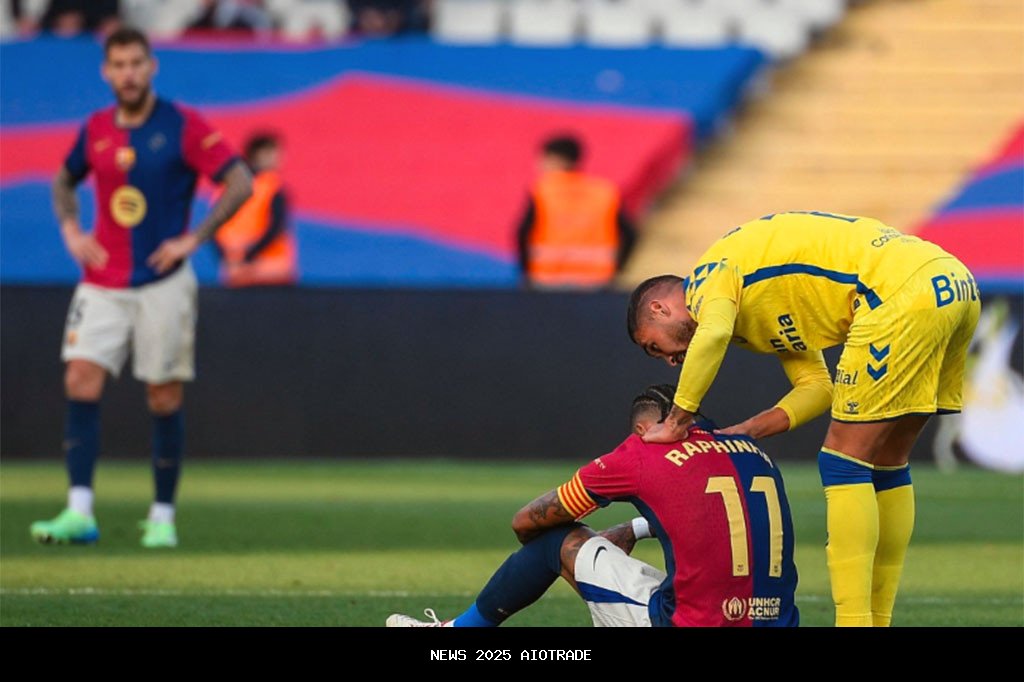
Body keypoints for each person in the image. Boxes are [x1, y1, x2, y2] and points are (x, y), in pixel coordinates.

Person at [626, 211, 981, 626]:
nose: (669, 360)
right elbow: (817, 386)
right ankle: (877, 619)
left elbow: (714, 334)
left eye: (654, 347)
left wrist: (677, 418)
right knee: (887, 462)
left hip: (894, 291)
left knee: (842, 462)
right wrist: (747, 430)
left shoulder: (708, 277)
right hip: (953, 283)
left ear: (659, 307)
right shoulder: (764, 303)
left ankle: (855, 621)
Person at [30, 27, 253, 549]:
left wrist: (193, 239)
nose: (128, 74)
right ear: (106, 72)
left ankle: (161, 515)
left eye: (136, 63)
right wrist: (71, 231)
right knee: (80, 378)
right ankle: (79, 510)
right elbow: (64, 180)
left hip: (162, 279)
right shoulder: (96, 129)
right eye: (119, 65)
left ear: (152, 66)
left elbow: (239, 179)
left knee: (162, 393)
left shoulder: (182, 126)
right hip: (103, 279)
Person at [387, 385, 798, 627]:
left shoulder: (640, 453)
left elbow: (525, 521)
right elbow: (714, 512)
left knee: (554, 540)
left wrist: (555, 546)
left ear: (642, 428)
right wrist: (634, 529)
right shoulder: (748, 450)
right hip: (775, 620)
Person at [516, 134, 635, 290]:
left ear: (555, 159)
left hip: (547, 281)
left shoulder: (542, 191)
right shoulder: (604, 192)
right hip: (597, 282)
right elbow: (630, 233)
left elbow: (523, 232)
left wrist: (526, 272)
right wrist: (617, 267)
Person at [212, 132, 298, 287]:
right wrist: (249, 256)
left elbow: (212, 228)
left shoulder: (227, 188)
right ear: (259, 154)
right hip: (272, 273)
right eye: (275, 153)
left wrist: (231, 259)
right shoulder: (273, 187)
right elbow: (277, 226)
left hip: (237, 271)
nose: (280, 159)